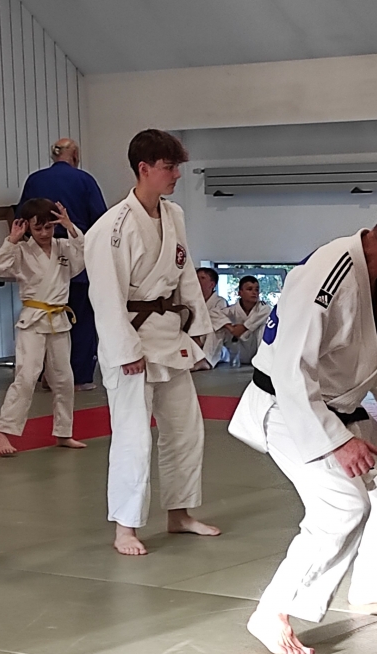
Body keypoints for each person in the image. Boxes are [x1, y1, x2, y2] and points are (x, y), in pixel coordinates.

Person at [231, 199, 377, 654]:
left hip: (338, 405)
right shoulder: (327, 275)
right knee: (343, 505)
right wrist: (336, 442)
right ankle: (273, 611)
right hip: (288, 407)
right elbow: (291, 369)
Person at [84, 129, 219, 556]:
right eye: (169, 167)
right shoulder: (111, 228)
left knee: (185, 430)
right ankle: (125, 527)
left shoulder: (173, 214)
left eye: (177, 167)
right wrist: (126, 351)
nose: (176, 175)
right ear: (144, 169)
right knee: (133, 438)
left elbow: (185, 273)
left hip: (168, 335)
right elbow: (105, 297)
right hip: (131, 340)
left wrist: (198, 327)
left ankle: (179, 513)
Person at [0, 199, 88, 458]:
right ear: (27, 227)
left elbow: (84, 255)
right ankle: (3, 431)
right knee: (26, 377)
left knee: (65, 380)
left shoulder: (64, 246)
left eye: (48, 227)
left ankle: (64, 432)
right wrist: (12, 240)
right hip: (33, 321)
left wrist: (70, 226)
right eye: (38, 228)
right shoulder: (21, 251)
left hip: (59, 320)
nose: (44, 233)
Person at [20, 138, 109, 391]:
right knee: (80, 321)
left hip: (41, 264)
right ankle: (79, 376)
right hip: (75, 258)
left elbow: (22, 219)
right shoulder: (84, 180)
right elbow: (100, 221)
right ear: (75, 155)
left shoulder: (35, 180)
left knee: (44, 319)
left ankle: (46, 375)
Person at [224, 275, 272, 367]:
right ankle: (211, 360)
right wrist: (231, 328)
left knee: (264, 327)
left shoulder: (264, 308)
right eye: (249, 289)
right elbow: (215, 315)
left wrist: (243, 327)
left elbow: (265, 312)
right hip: (238, 351)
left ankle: (264, 362)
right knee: (220, 326)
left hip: (256, 348)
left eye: (256, 290)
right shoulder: (232, 310)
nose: (254, 293)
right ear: (240, 293)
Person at [192, 268, 232, 370]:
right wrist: (195, 337)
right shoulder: (191, 301)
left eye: (202, 278)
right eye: (196, 277)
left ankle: (206, 361)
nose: (197, 280)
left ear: (212, 284)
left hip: (216, 346)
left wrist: (198, 338)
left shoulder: (220, 302)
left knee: (216, 327)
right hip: (194, 338)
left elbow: (218, 322)